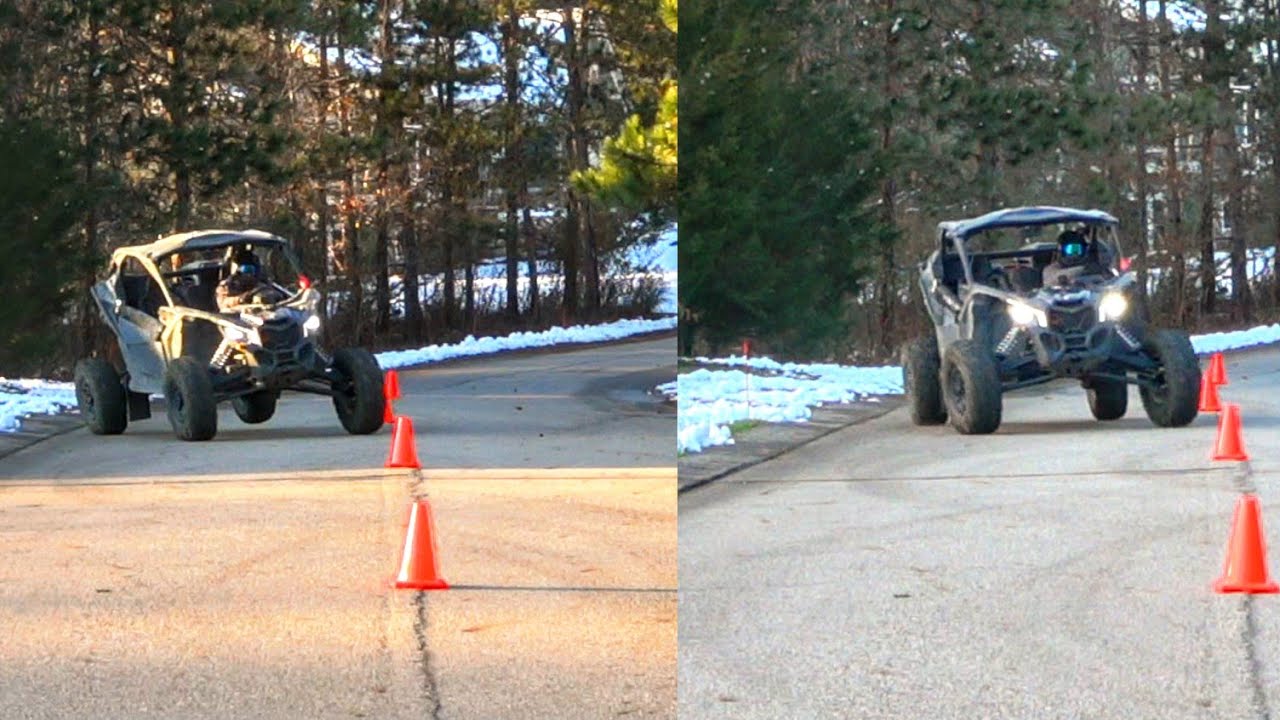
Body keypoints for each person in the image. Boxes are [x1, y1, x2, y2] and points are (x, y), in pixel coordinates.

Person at [216, 247, 280, 311]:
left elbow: (277, 295)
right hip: (234, 317)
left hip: (265, 315)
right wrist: (243, 298)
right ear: (237, 270)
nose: (249, 275)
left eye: (252, 270)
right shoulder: (227, 285)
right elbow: (223, 303)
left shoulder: (261, 282)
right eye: (246, 270)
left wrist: (268, 296)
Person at [1041, 229, 1109, 287]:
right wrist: (1082, 269)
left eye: (1077, 249)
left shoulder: (1094, 267)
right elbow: (1051, 281)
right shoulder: (1050, 269)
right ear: (1061, 250)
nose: (1074, 253)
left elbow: (1110, 281)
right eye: (1071, 249)